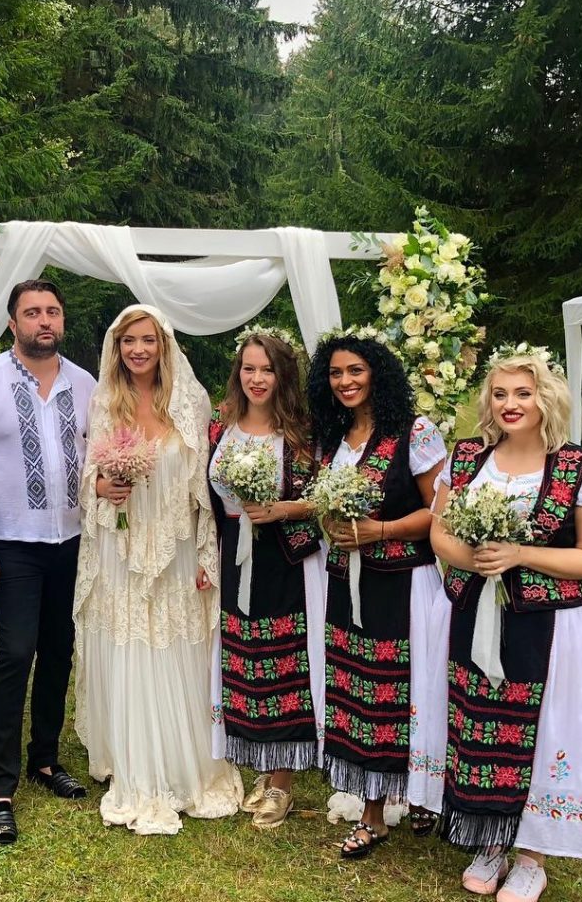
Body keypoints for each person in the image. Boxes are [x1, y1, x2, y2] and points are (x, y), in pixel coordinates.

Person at [426, 346, 582, 902]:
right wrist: (476, 561)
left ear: (545, 399)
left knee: (545, 731)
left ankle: (533, 853)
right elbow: (440, 533)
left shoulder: (580, 467)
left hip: (551, 626)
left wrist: (519, 555)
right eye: (500, 393)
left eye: (523, 393)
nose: (509, 404)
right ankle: (490, 837)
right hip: (474, 616)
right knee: (479, 723)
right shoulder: (468, 458)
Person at [74, 305, 242, 835]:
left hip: (177, 548)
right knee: (129, 642)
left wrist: (207, 554)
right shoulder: (105, 400)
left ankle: (181, 760)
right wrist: (103, 486)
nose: (138, 350)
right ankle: (133, 759)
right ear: (116, 347)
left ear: (164, 345)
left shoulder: (190, 402)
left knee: (175, 643)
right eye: (129, 341)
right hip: (121, 548)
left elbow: (205, 489)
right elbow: (87, 476)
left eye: (148, 340)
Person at [0, 279, 96, 845]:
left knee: (59, 649)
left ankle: (46, 758)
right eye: (32, 312)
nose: (44, 321)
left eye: (52, 311)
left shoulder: (85, 384)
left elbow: (96, 456)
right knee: (15, 652)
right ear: (13, 323)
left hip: (72, 540)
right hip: (11, 541)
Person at [306, 332, 446, 859]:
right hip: (347, 582)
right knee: (359, 694)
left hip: (403, 582)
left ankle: (418, 794)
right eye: (336, 373)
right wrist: (331, 522)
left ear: (377, 374)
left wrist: (380, 530)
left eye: (355, 371)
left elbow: (440, 511)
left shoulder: (415, 432)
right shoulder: (335, 437)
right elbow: (327, 507)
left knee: (405, 691)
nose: (345, 382)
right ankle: (373, 811)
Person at [207, 330, 325, 829]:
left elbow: (327, 496)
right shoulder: (221, 426)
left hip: (285, 558)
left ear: (284, 375)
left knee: (284, 665)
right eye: (249, 368)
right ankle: (260, 763)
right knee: (245, 662)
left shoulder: (302, 433)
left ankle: (282, 782)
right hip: (234, 554)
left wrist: (282, 509)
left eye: (268, 369)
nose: (257, 379)